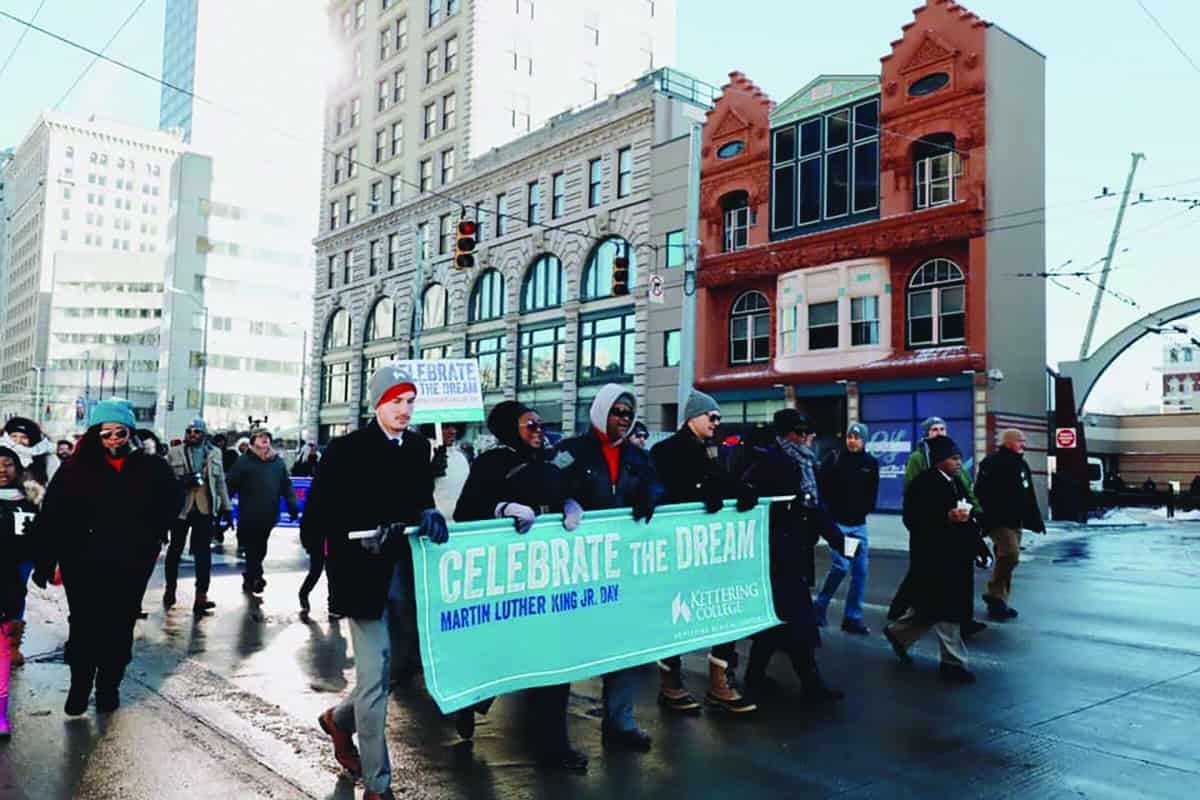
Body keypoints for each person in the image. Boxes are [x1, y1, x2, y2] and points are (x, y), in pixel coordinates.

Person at [303, 364, 448, 800]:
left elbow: (420, 498)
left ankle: (338, 720)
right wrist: (354, 544)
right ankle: (378, 784)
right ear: (378, 404)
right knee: (374, 681)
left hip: (405, 577)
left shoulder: (419, 448)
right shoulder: (345, 450)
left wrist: (429, 514)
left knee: (400, 669)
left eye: (410, 402)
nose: (405, 410)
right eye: (396, 402)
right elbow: (317, 521)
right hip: (362, 582)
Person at [453, 400, 587, 770]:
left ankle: (555, 747)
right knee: (500, 656)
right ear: (511, 429)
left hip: (547, 578)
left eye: (541, 424)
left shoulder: (552, 459)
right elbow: (465, 514)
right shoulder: (491, 463)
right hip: (507, 581)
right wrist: (501, 510)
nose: (539, 431)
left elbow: (570, 489)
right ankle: (468, 700)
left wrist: (573, 503)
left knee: (555, 661)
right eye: (530, 425)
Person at [33, 400, 182, 714]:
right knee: (85, 624)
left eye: (120, 432)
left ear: (129, 432)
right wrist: (45, 560)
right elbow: (53, 516)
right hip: (82, 561)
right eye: (106, 434)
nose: (114, 439)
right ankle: (80, 685)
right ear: (94, 435)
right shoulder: (74, 468)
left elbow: (172, 502)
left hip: (130, 562)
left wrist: (154, 534)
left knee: (119, 624)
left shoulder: (151, 466)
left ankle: (107, 687)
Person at [557, 385, 658, 752]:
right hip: (579, 565)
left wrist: (651, 495)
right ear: (601, 412)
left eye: (628, 414)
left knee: (624, 640)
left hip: (621, 564)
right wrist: (564, 502)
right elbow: (549, 485)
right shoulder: (571, 450)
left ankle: (621, 720)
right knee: (569, 646)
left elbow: (654, 485)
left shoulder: (636, 455)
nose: (623, 420)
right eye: (617, 412)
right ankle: (553, 732)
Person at [650, 389, 758, 715]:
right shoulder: (665, 450)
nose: (716, 422)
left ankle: (719, 679)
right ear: (692, 417)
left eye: (719, 418)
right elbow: (665, 490)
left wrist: (741, 492)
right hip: (679, 546)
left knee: (722, 610)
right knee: (677, 613)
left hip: (710, 549)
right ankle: (670, 683)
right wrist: (699, 495)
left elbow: (720, 480)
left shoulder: (712, 448)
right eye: (711, 417)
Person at [740, 410, 846, 706]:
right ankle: (811, 684)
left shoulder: (806, 464)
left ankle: (755, 674)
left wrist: (838, 540)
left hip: (796, 550)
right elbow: (748, 494)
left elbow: (815, 508)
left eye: (807, 433)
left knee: (777, 620)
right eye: (801, 433)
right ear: (788, 434)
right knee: (799, 620)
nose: (807, 438)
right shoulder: (773, 461)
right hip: (778, 554)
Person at [883, 436, 991, 684]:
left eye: (958, 459)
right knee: (947, 610)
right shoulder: (924, 484)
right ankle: (953, 662)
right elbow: (913, 519)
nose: (958, 463)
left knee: (930, 607)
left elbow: (968, 518)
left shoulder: (955, 483)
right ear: (940, 461)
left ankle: (899, 634)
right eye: (953, 459)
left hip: (955, 556)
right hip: (935, 557)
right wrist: (946, 517)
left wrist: (978, 545)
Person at [889, 416, 986, 640]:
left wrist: (975, 512)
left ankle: (960, 621)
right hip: (930, 535)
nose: (939, 432)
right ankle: (900, 614)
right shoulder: (919, 459)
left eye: (942, 428)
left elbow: (964, 488)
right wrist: (938, 517)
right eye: (934, 429)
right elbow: (912, 496)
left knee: (944, 590)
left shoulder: (953, 460)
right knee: (927, 583)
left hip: (953, 536)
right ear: (926, 433)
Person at [814, 422, 880, 635]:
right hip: (838, 525)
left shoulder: (870, 463)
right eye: (850, 436)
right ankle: (820, 606)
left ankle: (852, 617)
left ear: (864, 441)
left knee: (860, 571)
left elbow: (872, 491)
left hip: (859, 525)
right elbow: (820, 487)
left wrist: (866, 508)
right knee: (841, 567)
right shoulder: (834, 460)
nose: (852, 441)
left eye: (857, 437)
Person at [974, 429, 1045, 621]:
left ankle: (999, 601)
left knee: (1008, 559)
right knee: (1010, 554)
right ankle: (994, 595)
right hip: (998, 521)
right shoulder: (992, 463)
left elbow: (1028, 494)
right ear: (1008, 442)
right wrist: (982, 518)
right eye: (1020, 440)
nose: (1024, 443)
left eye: (1024, 440)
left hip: (1016, 521)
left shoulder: (1021, 464)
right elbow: (980, 492)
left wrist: (1036, 520)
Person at [164, 419, 232, 616]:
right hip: (181, 509)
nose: (192, 434)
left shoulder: (214, 453)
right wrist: (180, 482)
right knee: (174, 550)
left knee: (204, 554)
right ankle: (170, 589)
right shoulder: (175, 452)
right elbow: (166, 481)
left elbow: (220, 483)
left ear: (204, 434)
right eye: (189, 431)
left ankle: (201, 595)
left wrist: (226, 508)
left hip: (205, 508)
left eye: (196, 431)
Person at [227, 427, 298, 595]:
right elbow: (230, 484)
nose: (265, 439)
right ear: (253, 441)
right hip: (249, 515)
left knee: (260, 548)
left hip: (269, 514)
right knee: (252, 547)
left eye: (267, 436)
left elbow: (286, 485)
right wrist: (224, 506)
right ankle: (257, 576)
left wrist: (292, 504)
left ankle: (249, 575)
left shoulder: (277, 462)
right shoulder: (244, 461)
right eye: (260, 437)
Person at [0, 446, 39, 672]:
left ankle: (11, 645)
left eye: (8, 464)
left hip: (20, 562)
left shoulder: (29, 499)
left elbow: (40, 532)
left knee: (15, 599)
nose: (2, 470)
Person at [426, 423, 470, 521]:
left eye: (455, 427)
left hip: (459, 523)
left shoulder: (460, 456)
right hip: (435, 524)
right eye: (446, 427)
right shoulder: (423, 453)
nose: (453, 431)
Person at [1, 417, 59, 487]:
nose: (18, 441)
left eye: (24, 437)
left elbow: (55, 483)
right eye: (14, 436)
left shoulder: (47, 458)